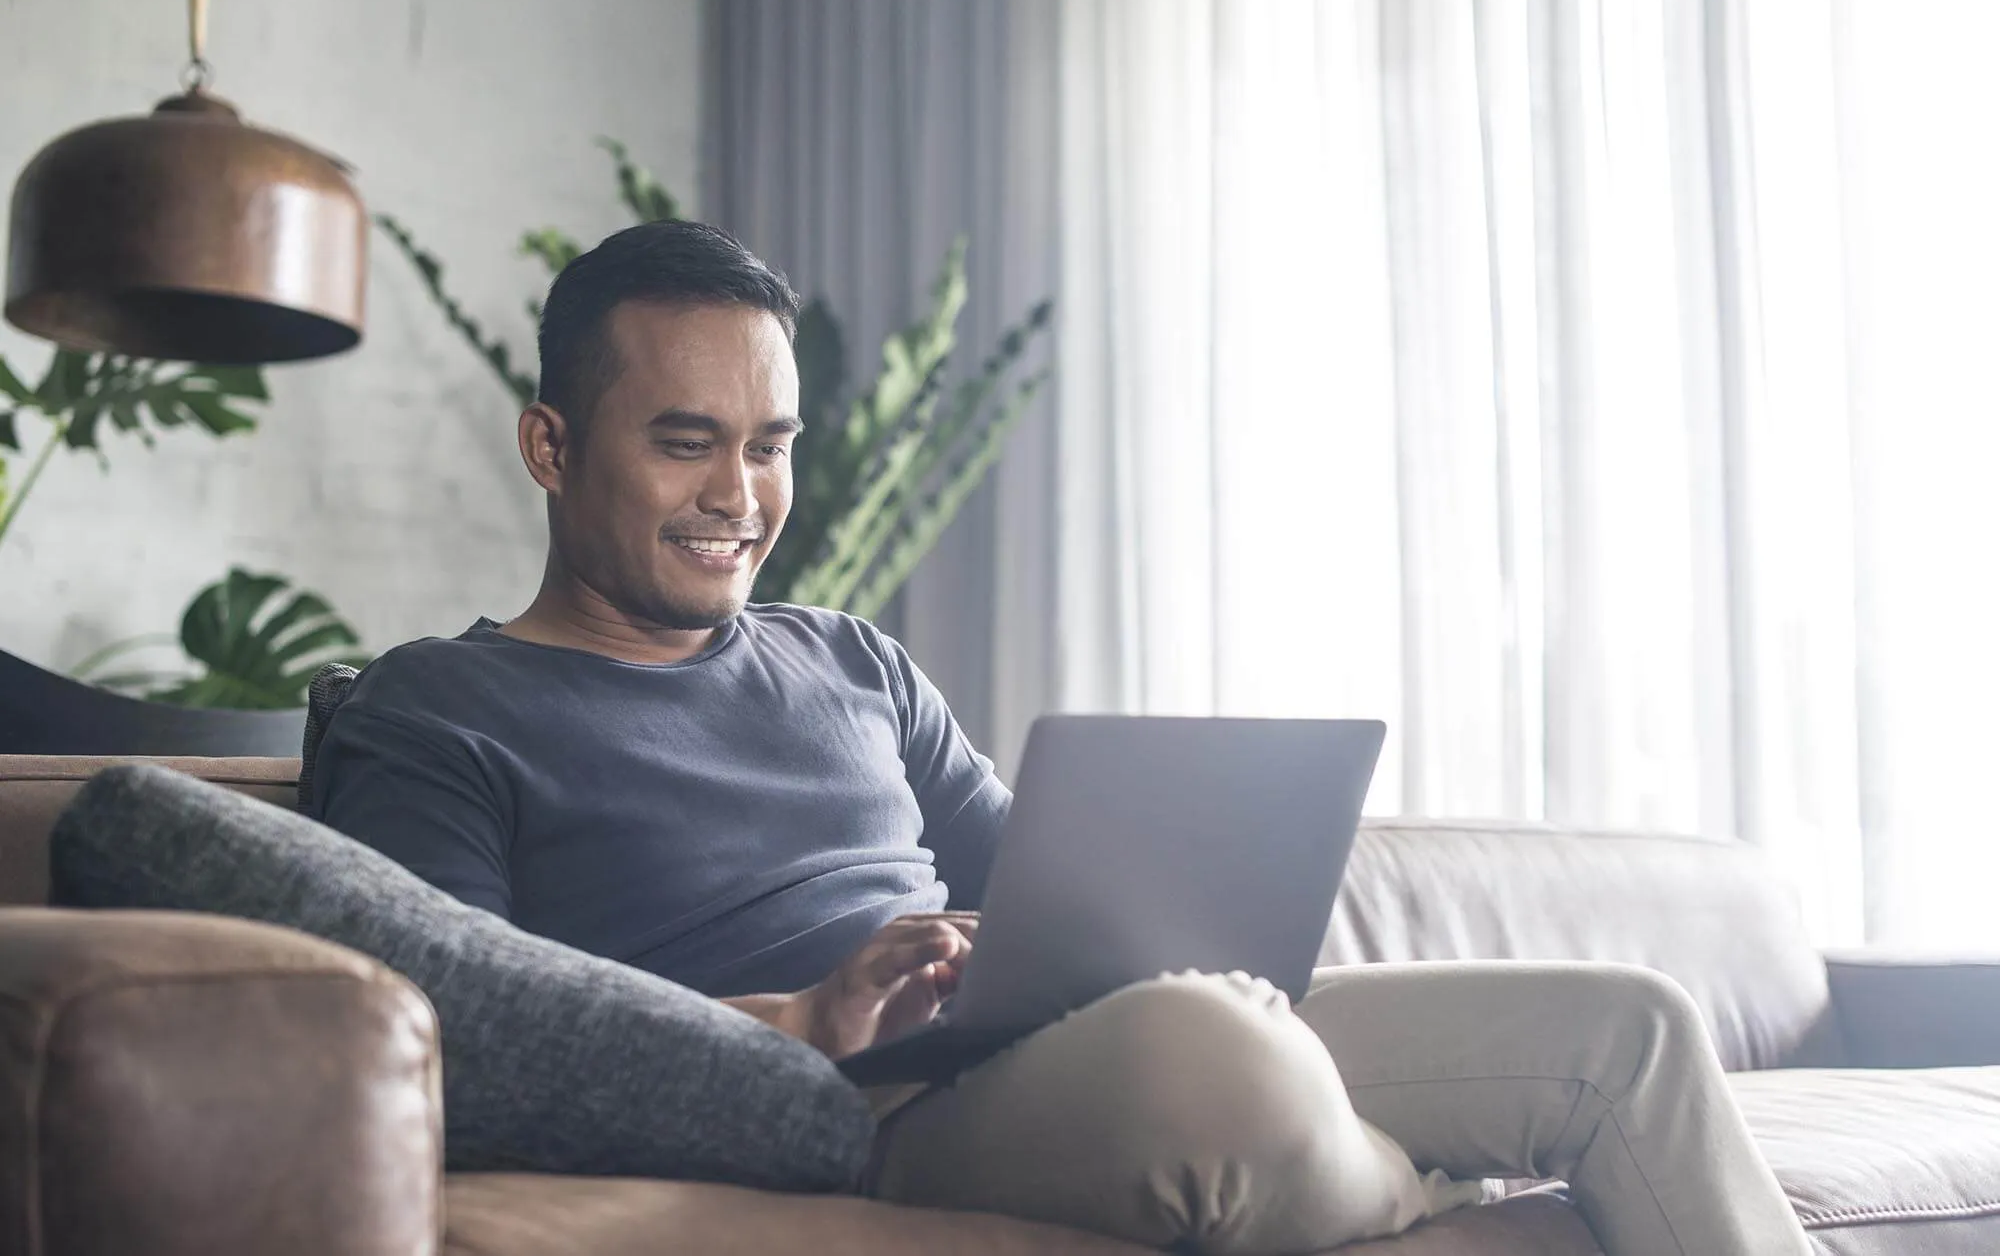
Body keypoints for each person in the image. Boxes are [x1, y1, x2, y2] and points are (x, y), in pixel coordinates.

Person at [311, 220, 1811, 1256]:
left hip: (1072, 1050)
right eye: (684, 439)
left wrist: (1168, 925)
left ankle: (1349, 1147)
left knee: (1627, 1025)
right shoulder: (436, 710)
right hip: (853, 1111)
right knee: (1218, 1056)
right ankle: (1425, 1185)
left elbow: (1060, 899)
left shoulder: (850, 659)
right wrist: (801, 1017)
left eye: (770, 445)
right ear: (553, 446)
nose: (741, 496)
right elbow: (457, 1041)